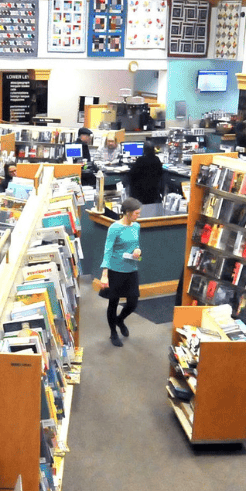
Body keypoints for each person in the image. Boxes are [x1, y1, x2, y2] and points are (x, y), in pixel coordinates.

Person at [100, 196, 142, 347]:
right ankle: (113, 333)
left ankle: (119, 320)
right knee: (114, 302)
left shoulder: (136, 227)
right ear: (128, 213)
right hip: (115, 270)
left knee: (132, 303)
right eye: (136, 213)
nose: (138, 216)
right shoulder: (114, 228)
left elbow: (136, 245)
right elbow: (107, 251)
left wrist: (138, 250)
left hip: (131, 269)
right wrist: (104, 275)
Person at [128, 140, 163, 205]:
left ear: (144, 150)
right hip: (153, 192)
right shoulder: (157, 159)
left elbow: (132, 174)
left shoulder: (140, 160)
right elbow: (160, 173)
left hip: (140, 192)